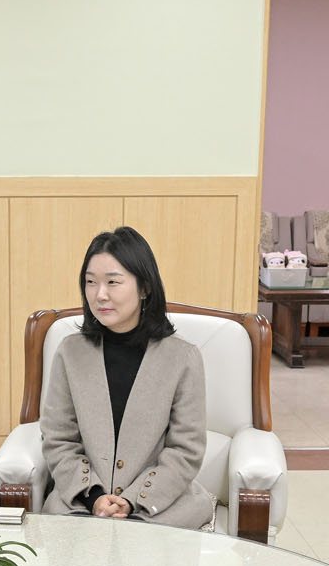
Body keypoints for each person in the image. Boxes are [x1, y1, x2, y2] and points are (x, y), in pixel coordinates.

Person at [40, 226, 214, 528]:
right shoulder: (70, 352)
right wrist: (94, 496)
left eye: (113, 282)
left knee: (143, 541)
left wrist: (133, 499)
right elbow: (59, 439)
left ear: (144, 288)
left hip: (157, 507)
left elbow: (185, 450)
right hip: (81, 503)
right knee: (73, 535)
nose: (100, 294)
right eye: (91, 282)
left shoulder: (183, 358)